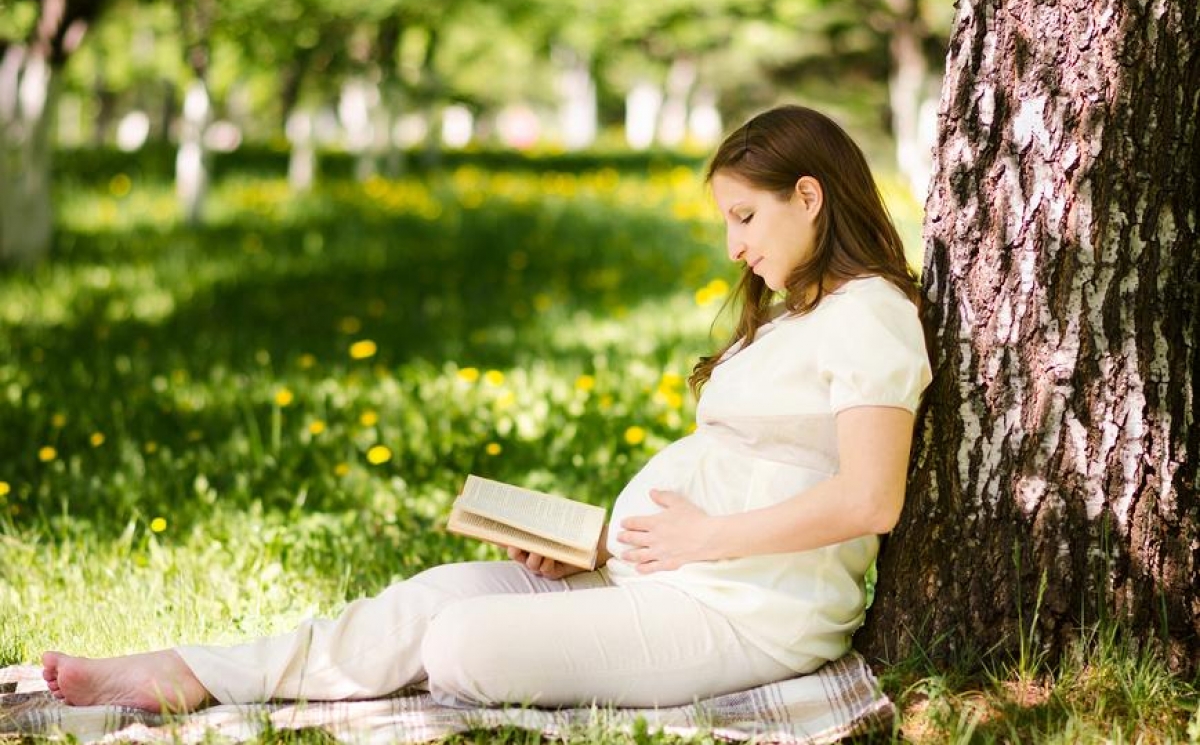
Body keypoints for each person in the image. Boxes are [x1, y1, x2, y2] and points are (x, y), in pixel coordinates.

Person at [42, 104, 932, 714]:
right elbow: (741, 470)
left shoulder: (872, 315)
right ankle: (186, 674)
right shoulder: (792, 318)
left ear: (808, 196)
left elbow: (869, 500)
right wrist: (588, 544)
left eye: (744, 217)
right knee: (421, 600)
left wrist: (700, 541)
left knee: (463, 643)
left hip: (742, 611)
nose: (734, 247)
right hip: (662, 573)